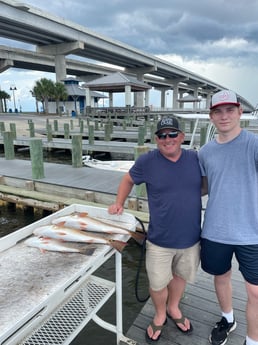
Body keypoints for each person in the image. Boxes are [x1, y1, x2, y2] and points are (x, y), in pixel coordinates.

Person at [108, 117, 202, 342]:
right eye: (162, 135)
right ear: (156, 139)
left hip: (190, 238)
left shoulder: (197, 158)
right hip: (159, 239)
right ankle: (160, 314)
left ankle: (174, 308)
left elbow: (212, 181)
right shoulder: (147, 161)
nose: (167, 139)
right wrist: (119, 202)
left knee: (180, 277)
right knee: (158, 283)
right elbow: (128, 179)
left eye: (172, 134)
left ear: (182, 136)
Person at [198, 89, 258, 345]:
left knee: (255, 292)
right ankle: (227, 318)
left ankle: (252, 340)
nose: (224, 116)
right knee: (220, 277)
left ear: (240, 113)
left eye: (229, 110)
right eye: (217, 111)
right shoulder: (205, 152)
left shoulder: (254, 144)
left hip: (252, 231)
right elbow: (201, 188)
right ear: (211, 117)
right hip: (215, 230)